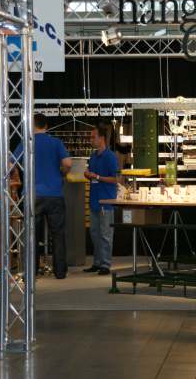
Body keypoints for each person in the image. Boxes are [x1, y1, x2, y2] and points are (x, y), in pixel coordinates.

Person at [14, 114, 72, 279]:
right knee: (58, 234)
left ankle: (31, 272)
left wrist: (19, 174)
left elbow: (11, 163)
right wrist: (63, 173)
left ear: (32, 125)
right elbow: (68, 163)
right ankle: (60, 272)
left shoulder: (26, 142)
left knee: (32, 234)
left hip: (33, 194)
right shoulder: (56, 142)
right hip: (55, 194)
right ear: (46, 126)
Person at [83, 124, 119, 276]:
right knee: (94, 234)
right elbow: (92, 176)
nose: (91, 139)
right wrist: (87, 175)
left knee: (105, 234)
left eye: (93, 137)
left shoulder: (110, 156)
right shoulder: (93, 156)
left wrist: (97, 176)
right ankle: (97, 262)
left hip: (106, 202)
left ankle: (105, 264)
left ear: (102, 138)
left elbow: (116, 179)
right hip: (94, 201)